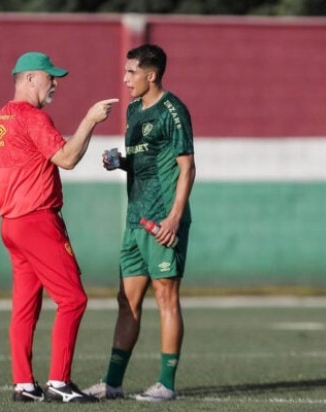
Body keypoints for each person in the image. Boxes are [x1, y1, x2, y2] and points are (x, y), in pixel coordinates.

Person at [0, 51, 118, 403]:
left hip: (12, 225)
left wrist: (2, 187)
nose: (55, 83)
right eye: (50, 77)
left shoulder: (2, 119)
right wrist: (90, 120)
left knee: (25, 306)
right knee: (73, 299)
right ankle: (59, 382)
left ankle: (24, 385)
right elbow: (67, 158)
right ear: (30, 78)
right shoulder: (32, 118)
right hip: (38, 221)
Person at [84, 44, 195, 402]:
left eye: (131, 72)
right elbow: (143, 159)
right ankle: (112, 383)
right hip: (134, 221)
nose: (125, 79)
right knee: (126, 301)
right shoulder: (133, 110)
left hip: (163, 221)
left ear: (152, 74)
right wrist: (120, 161)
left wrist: (175, 218)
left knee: (166, 296)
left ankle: (166, 383)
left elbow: (186, 167)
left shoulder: (173, 111)